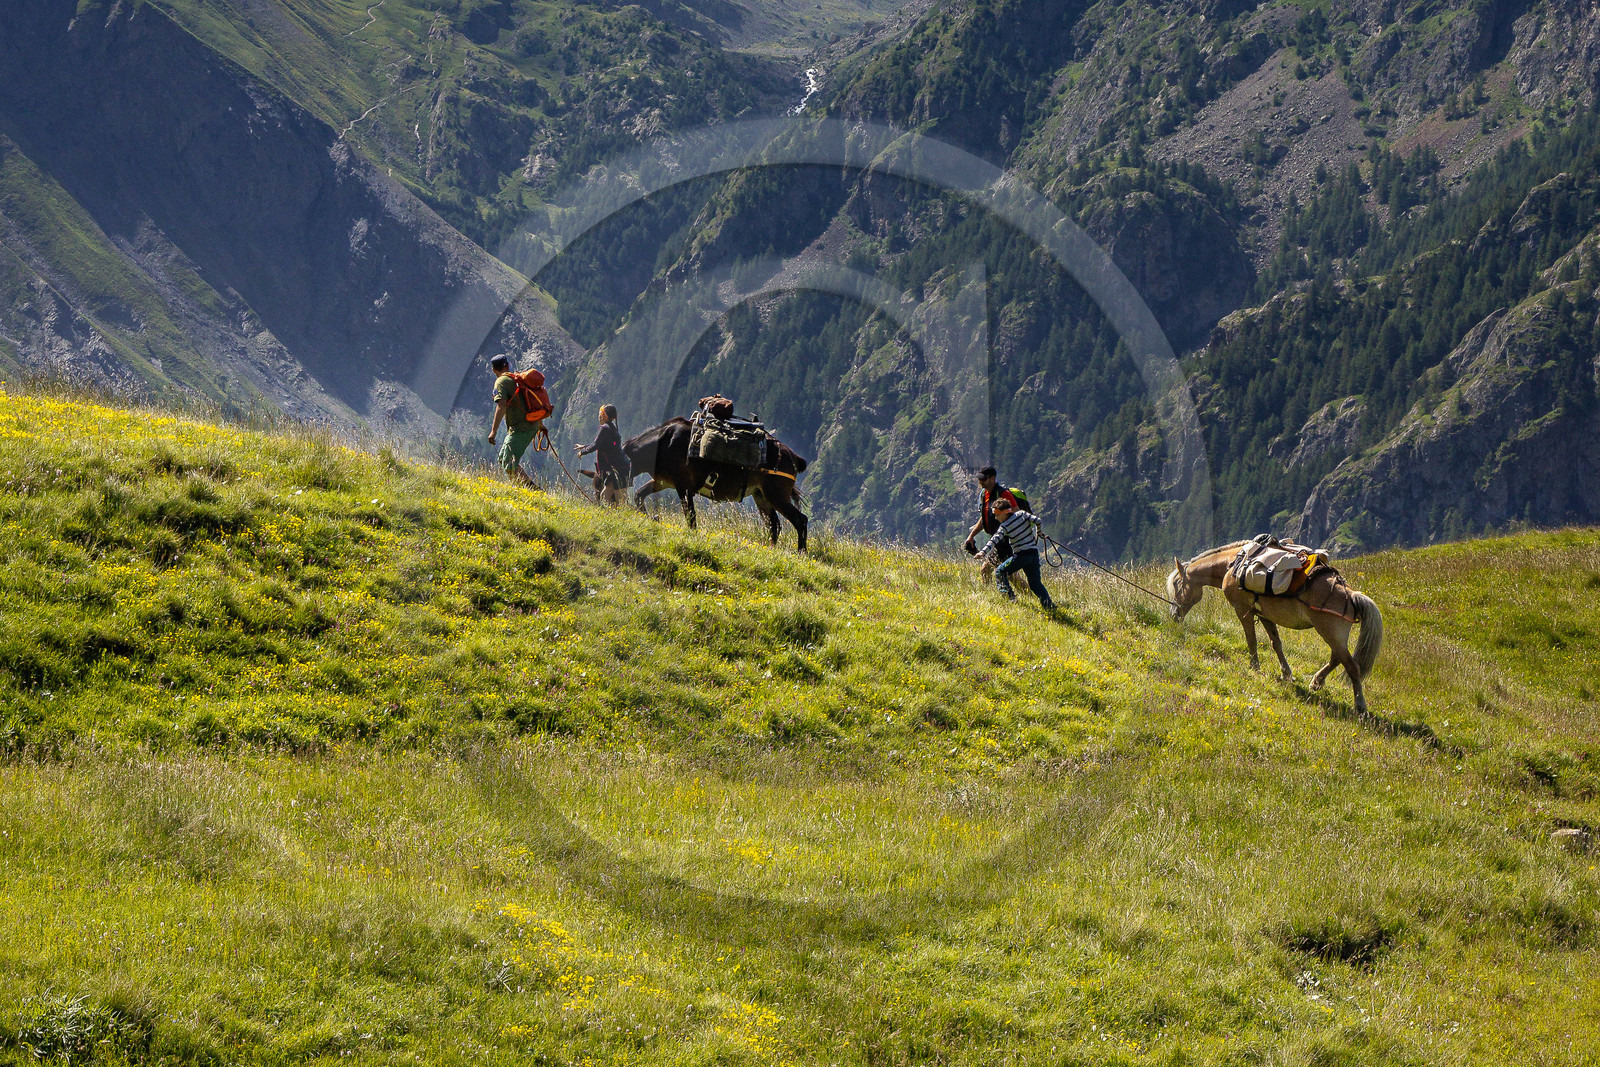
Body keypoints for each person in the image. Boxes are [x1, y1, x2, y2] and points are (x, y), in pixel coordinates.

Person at [990, 496, 1055, 611]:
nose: (995, 518)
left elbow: (994, 540)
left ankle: (1009, 597)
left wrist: (982, 552)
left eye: (997, 514)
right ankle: (1049, 606)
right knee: (1035, 584)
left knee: (1000, 571)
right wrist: (1039, 532)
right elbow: (1038, 521)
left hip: (1021, 555)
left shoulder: (1004, 526)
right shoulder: (1021, 514)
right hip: (1033, 554)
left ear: (1005, 513)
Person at [486, 354, 543, 486]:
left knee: (508, 461)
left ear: (494, 370)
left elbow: (501, 405)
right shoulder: (516, 379)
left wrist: (493, 431)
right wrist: (540, 424)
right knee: (504, 459)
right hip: (530, 424)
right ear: (507, 365)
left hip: (521, 427)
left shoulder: (501, 382)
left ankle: (532, 491)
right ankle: (520, 488)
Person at [962, 467, 1023, 563]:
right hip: (996, 540)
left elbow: (1018, 514)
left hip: (1007, 541)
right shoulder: (984, 495)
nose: (980, 482)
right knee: (987, 571)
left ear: (992, 478)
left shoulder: (1004, 494)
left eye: (983, 479)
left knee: (1008, 574)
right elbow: (984, 519)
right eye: (979, 479)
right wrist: (971, 536)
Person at [574, 404, 628, 505]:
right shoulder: (612, 428)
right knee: (610, 497)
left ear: (604, 416)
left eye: (600, 414)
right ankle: (615, 517)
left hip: (616, 469)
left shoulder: (604, 429)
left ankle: (631, 517)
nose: (599, 417)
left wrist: (583, 452)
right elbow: (601, 443)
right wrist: (584, 446)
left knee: (617, 500)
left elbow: (596, 445)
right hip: (621, 467)